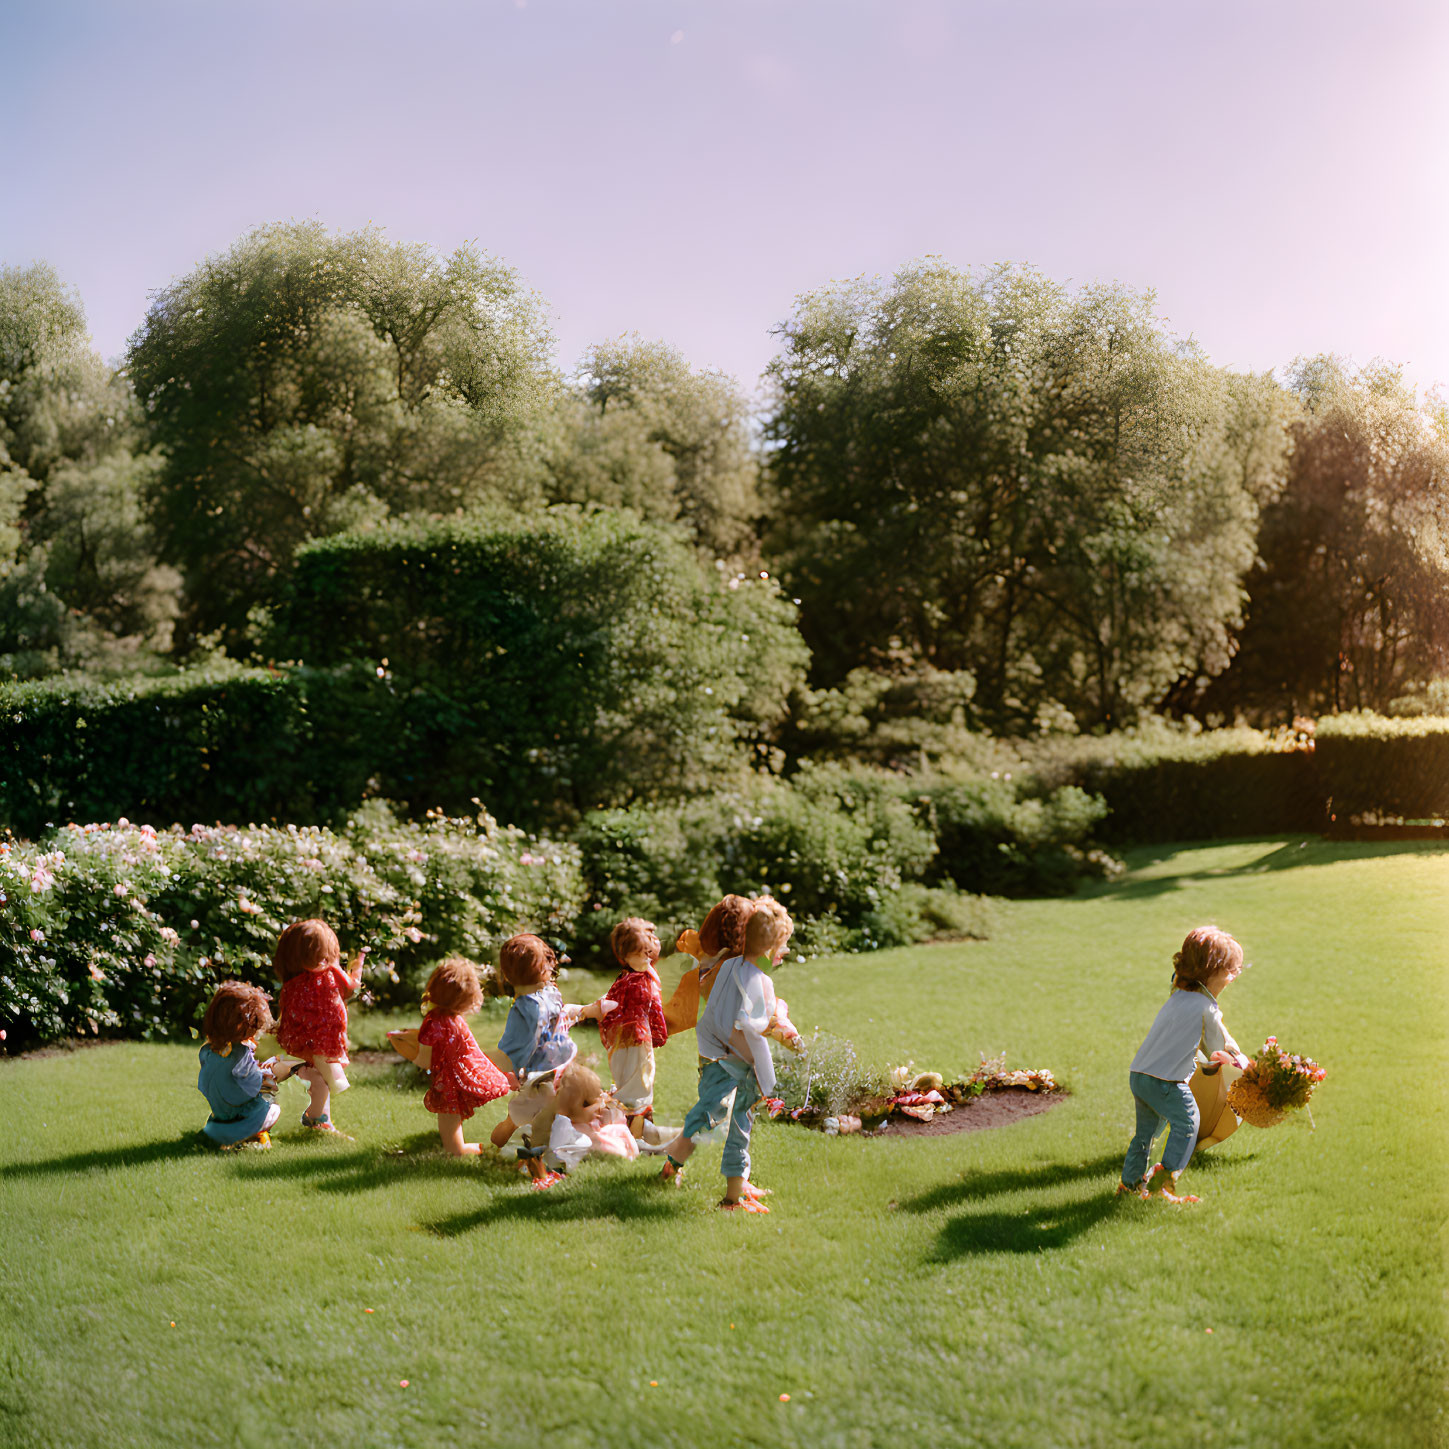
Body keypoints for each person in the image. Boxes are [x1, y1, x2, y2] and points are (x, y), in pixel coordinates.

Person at [659, 898, 793, 1213]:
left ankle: (731, 1186)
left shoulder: (731, 969)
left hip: (729, 1059)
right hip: (725, 1060)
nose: (781, 953)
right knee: (713, 1116)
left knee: (728, 1118)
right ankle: (725, 1194)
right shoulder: (728, 972)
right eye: (779, 945)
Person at [1119, 926, 1250, 1204]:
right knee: (1188, 1123)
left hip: (1140, 1075)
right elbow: (1216, 1052)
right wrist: (1236, 1062)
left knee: (1145, 1134)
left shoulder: (1177, 995)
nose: (1234, 977)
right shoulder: (1208, 1009)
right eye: (1232, 970)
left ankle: (1129, 1184)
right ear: (1214, 971)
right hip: (1166, 1081)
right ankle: (1161, 1188)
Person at [486, 933, 610, 1187]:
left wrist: (587, 1011)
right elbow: (512, 1048)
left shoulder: (549, 993)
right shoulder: (525, 1009)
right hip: (539, 1077)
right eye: (546, 964)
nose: (550, 969)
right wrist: (497, 1070)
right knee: (535, 1121)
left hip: (558, 1069)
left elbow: (562, 1015)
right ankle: (537, 1169)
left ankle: (521, 1150)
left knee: (532, 1117)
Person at [410, 958, 511, 1156]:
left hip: (449, 1081)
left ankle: (465, 1149)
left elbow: (423, 1060)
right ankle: (459, 1146)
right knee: (452, 1115)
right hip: (460, 1075)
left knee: (450, 1122)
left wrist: (406, 1047)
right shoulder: (455, 1020)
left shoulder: (434, 1022)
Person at [274, 919, 364, 1133]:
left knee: (319, 1081)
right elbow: (352, 989)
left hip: (311, 1045)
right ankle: (318, 1121)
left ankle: (318, 1120)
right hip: (313, 1047)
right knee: (322, 1081)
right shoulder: (323, 978)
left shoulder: (294, 985)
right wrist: (355, 969)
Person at [590, 917, 672, 1145]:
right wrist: (658, 1033)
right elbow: (650, 1010)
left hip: (629, 1041)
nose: (647, 957)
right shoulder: (637, 981)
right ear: (625, 955)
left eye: (648, 952)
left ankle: (642, 1129)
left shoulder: (631, 977)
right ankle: (633, 1138)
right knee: (638, 1090)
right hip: (634, 1042)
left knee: (637, 1086)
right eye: (641, 953)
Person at [196, 980, 285, 1149]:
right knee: (272, 1105)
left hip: (220, 1111)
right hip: (240, 1115)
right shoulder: (241, 1054)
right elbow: (252, 1086)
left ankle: (221, 1129)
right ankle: (251, 1134)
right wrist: (266, 1075)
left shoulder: (207, 1050)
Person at [545, 1063, 640, 1174]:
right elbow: (556, 1151)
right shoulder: (564, 1125)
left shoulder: (584, 1120)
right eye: (591, 1105)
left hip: (593, 1148)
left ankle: (632, 1153)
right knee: (612, 1143)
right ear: (579, 1105)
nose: (596, 1110)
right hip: (581, 1156)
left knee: (618, 1130)